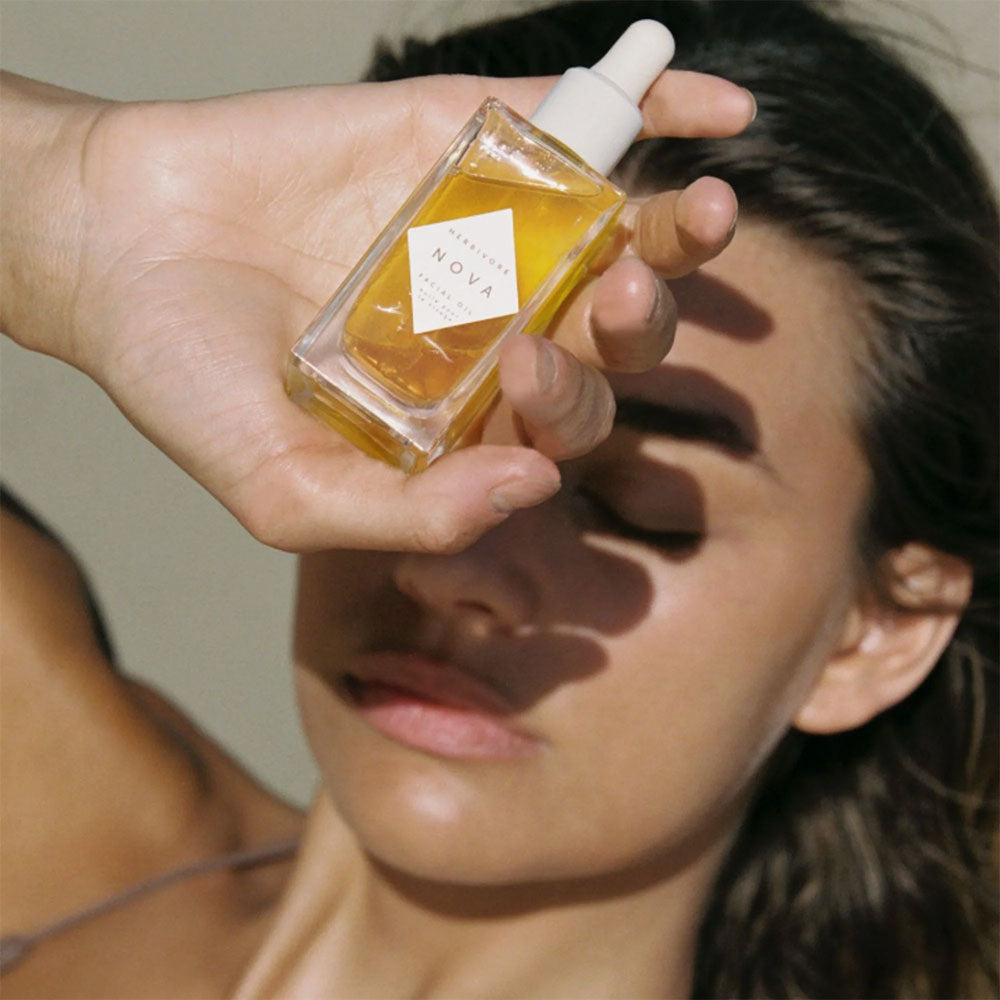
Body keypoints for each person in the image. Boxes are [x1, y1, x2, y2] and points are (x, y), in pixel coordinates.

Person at [0, 0, 995, 997]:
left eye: (636, 510)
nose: (453, 567)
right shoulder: (51, 823)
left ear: (879, 632)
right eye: (436, 440)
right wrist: (83, 199)